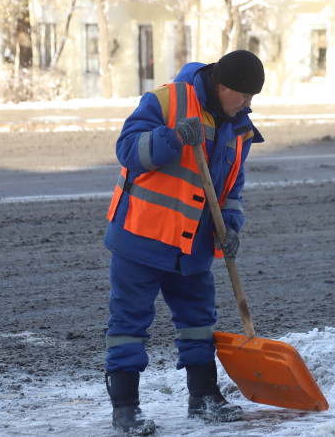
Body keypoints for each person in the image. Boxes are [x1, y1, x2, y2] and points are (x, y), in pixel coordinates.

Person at [103, 50, 265, 435]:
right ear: (222, 85)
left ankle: (203, 397)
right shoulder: (166, 100)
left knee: (198, 321)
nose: (247, 105)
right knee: (129, 322)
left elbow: (231, 188)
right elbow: (128, 150)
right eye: (242, 96)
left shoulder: (239, 128)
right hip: (142, 235)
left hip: (193, 243)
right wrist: (172, 137)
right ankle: (125, 408)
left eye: (252, 98)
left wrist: (230, 226)